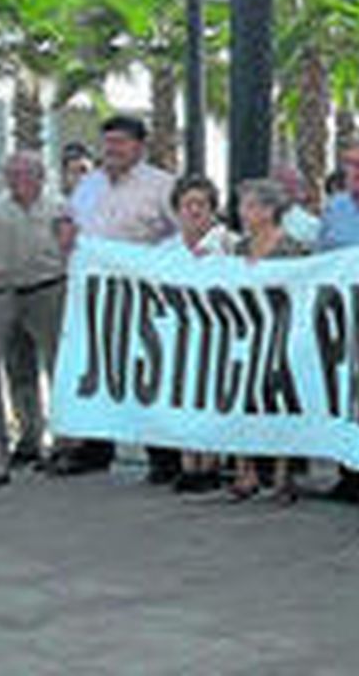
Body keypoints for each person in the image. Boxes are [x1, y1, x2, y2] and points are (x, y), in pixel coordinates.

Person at [60, 115, 178, 479]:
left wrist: (153, 265)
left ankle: (164, 458)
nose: (112, 149)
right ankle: (95, 449)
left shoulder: (161, 185)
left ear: (139, 147)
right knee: (96, 371)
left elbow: (183, 233)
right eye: (108, 142)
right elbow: (70, 222)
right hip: (95, 297)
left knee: (147, 373)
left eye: (121, 142)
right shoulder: (90, 185)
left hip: (143, 296)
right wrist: (64, 233)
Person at [227, 179, 311, 504]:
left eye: (249, 206)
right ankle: (244, 470)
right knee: (243, 400)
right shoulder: (239, 249)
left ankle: (282, 474)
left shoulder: (292, 249)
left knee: (281, 401)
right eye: (242, 205)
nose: (242, 212)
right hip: (247, 331)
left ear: (269, 210)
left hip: (282, 331)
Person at [313, 136, 359, 504]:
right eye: (350, 164)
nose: (355, 172)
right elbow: (321, 258)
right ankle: (349, 474)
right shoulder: (335, 207)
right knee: (343, 392)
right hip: (340, 313)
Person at [0, 153, 66, 475]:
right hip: (5, 294)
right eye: (12, 174)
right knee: (17, 369)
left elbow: (74, 247)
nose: (18, 179)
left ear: (40, 177)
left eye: (25, 173)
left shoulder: (59, 208)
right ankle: (28, 438)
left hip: (47, 290)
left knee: (57, 368)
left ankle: (64, 442)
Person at [164, 174, 235, 494]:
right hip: (178, 334)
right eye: (187, 204)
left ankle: (211, 464)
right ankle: (188, 464)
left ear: (213, 209)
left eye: (201, 204)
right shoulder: (166, 248)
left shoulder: (230, 244)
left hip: (218, 333)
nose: (194, 211)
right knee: (182, 398)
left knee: (212, 399)